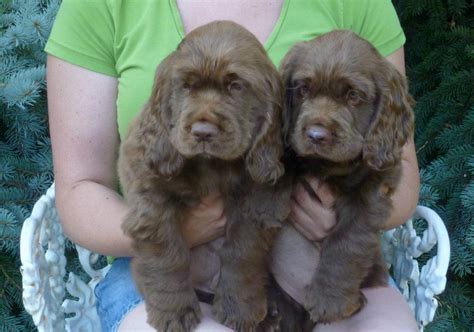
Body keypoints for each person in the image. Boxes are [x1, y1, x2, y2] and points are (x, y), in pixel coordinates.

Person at [45, 0, 420, 331]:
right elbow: (81, 187)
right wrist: (174, 235)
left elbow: (394, 165)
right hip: (157, 268)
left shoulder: (358, 4)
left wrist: (340, 224)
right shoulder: (100, 6)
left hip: (315, 260)